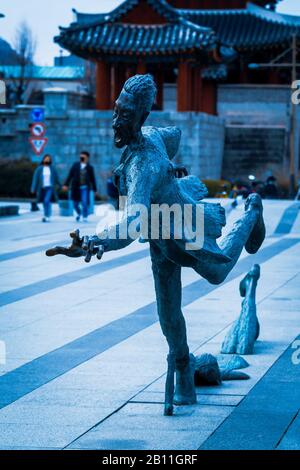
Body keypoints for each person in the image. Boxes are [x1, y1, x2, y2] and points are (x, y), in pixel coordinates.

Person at [47, 75, 265, 408]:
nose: (116, 119)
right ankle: (182, 368)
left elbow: (132, 222)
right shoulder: (151, 136)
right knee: (168, 311)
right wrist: (172, 166)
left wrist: (96, 241)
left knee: (217, 272)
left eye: (125, 113)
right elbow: (173, 135)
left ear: (141, 116)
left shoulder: (142, 166)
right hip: (160, 236)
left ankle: (251, 215)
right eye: (116, 109)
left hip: (183, 227)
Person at [63, 151, 97, 222]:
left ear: (87, 158)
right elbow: (70, 175)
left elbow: (92, 179)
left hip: (85, 188)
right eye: (81, 157)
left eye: (83, 157)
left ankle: (85, 216)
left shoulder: (90, 168)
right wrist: (66, 184)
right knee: (75, 204)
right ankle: (78, 213)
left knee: (84, 203)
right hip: (76, 188)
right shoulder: (75, 165)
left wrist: (94, 189)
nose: (82, 158)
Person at [31, 154, 60, 222]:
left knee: (46, 200)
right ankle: (47, 215)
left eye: (48, 159)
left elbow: (57, 178)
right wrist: (33, 188)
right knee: (45, 202)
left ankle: (47, 215)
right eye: (46, 159)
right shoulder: (39, 168)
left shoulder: (52, 168)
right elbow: (35, 179)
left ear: (50, 160)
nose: (47, 160)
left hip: (50, 188)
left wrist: (61, 185)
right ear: (43, 160)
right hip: (41, 188)